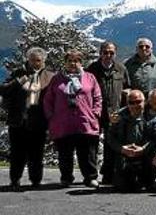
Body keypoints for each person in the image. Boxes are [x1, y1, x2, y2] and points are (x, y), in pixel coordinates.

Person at [43, 50, 102, 188]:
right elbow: (48, 99)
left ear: (81, 63)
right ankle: (66, 178)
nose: (73, 63)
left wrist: (96, 112)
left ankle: (90, 177)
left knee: (87, 153)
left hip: (85, 121)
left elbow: (97, 97)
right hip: (63, 123)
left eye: (76, 61)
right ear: (65, 62)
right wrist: (51, 116)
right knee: (65, 153)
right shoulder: (57, 79)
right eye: (70, 60)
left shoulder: (89, 77)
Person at [1, 47, 54, 190]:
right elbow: (4, 90)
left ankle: (36, 181)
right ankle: (15, 180)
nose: (35, 64)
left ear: (43, 61)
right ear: (28, 60)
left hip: (39, 122)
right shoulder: (18, 73)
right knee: (17, 153)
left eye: (38, 61)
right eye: (32, 60)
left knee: (37, 154)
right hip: (18, 121)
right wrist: (18, 81)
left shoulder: (49, 76)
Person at [85, 41, 131, 184]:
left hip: (115, 113)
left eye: (111, 52)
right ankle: (91, 176)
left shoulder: (121, 69)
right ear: (100, 53)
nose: (108, 55)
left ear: (115, 54)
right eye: (105, 52)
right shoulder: (91, 69)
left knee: (111, 145)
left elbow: (127, 88)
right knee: (91, 144)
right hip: (95, 113)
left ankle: (108, 174)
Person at [105, 90, 156, 192]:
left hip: (144, 153)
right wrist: (122, 149)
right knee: (123, 187)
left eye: (138, 102)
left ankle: (148, 179)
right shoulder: (117, 116)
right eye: (131, 103)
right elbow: (110, 138)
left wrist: (143, 149)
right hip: (125, 153)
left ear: (145, 102)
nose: (135, 105)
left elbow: (155, 138)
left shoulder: (152, 116)